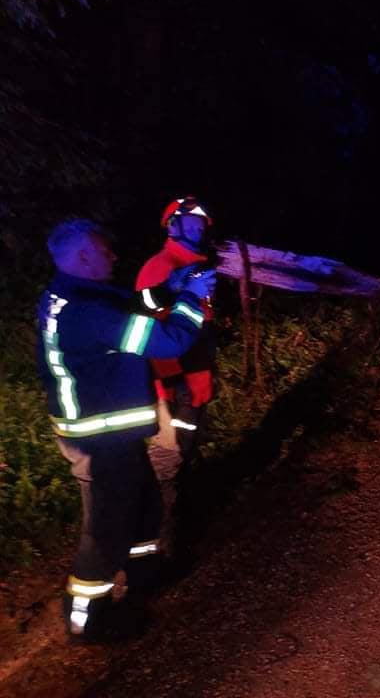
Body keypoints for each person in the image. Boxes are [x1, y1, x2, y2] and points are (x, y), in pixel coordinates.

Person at [38, 217, 215, 642]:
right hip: (99, 441)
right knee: (105, 532)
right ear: (83, 255)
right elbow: (169, 342)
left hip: (115, 433)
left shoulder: (76, 294)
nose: (114, 255)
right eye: (104, 250)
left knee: (144, 508)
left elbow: (134, 304)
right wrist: (192, 300)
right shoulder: (85, 312)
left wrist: (172, 287)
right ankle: (86, 622)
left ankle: (145, 577)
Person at [135, 196, 217, 559]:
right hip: (175, 385)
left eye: (203, 221)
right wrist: (171, 390)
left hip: (195, 382)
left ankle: (178, 528)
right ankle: (157, 546)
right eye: (193, 220)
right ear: (174, 225)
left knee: (184, 458)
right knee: (167, 465)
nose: (201, 225)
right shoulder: (161, 265)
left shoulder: (199, 263)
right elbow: (151, 314)